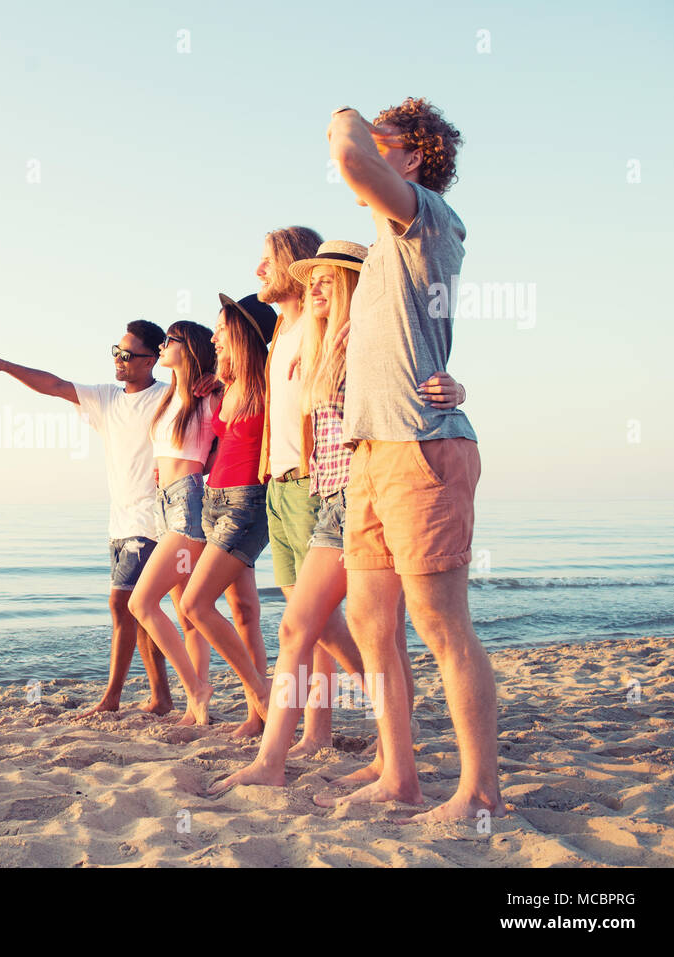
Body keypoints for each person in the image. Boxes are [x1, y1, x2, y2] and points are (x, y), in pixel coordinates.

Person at [209, 241, 466, 793]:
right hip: (334, 498)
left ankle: (273, 761)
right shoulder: (323, 343)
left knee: (305, 625)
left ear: (354, 282)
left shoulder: (367, 339)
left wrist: (455, 388)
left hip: (359, 495)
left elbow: (419, 385)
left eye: (328, 278)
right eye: (313, 278)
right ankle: (389, 758)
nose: (316, 286)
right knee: (381, 636)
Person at [325, 97, 501, 822]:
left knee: (440, 621)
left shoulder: (426, 213)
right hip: (372, 450)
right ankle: (400, 775)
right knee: (370, 618)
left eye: (383, 139)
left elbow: (347, 156)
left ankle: (481, 792)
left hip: (422, 450)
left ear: (414, 155)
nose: (367, 146)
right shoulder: (380, 253)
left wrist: (348, 118)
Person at [0, 324, 181, 717]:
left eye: (129, 354)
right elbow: (53, 384)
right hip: (118, 523)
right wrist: (1, 365)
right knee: (141, 609)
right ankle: (161, 698)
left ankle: (112, 698)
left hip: (150, 522)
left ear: (151, 360)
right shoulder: (105, 399)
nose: (119, 358)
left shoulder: (168, 397)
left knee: (124, 604)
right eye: (117, 350)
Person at [254, 226, 346, 755]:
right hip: (279, 485)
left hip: (316, 483)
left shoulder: (320, 325)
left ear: (293, 263)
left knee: (319, 623)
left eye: (267, 260)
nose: (259, 270)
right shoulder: (276, 339)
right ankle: (314, 732)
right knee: (306, 625)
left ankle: (324, 729)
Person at [173, 294, 278, 737]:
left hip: (248, 503)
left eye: (221, 329)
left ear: (242, 335)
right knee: (244, 610)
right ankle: (257, 719)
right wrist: (216, 383)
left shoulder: (272, 379)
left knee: (196, 604)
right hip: (215, 501)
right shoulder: (226, 384)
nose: (214, 337)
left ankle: (262, 694)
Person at [127, 321, 226, 725]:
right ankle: (197, 706)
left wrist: (218, 377)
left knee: (141, 602)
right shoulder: (169, 397)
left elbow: (249, 386)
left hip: (188, 504)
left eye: (170, 341)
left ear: (189, 349)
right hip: (164, 505)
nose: (163, 346)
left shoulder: (209, 394)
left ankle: (197, 688)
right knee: (185, 614)